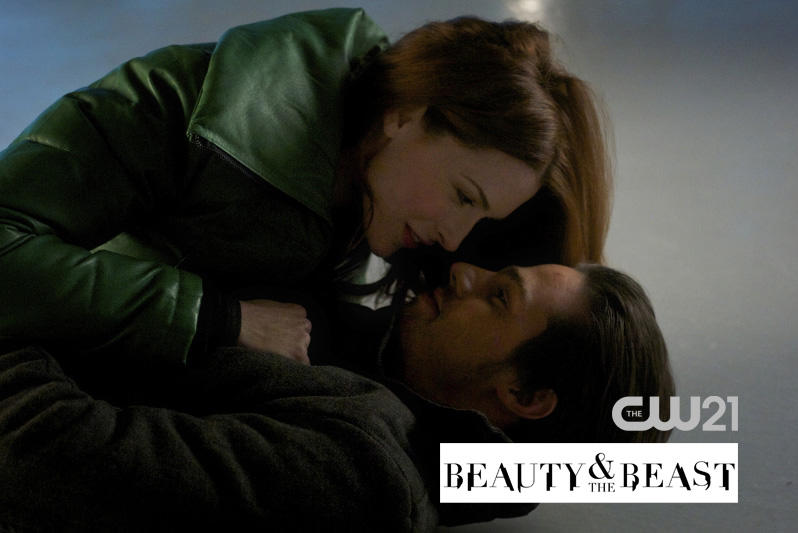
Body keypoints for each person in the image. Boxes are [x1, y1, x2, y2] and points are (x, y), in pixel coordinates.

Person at [0, 8, 611, 372]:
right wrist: (215, 317)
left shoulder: (366, 188)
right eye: (463, 195)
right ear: (404, 117)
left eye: (480, 219)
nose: (454, 241)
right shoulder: (171, 104)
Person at [0, 262, 673, 531]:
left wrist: (21, 292)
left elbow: (37, 450)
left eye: (500, 296)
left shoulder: (368, 472)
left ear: (523, 395)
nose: (464, 271)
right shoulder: (373, 375)